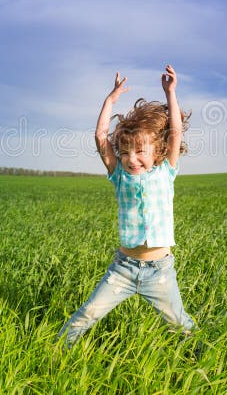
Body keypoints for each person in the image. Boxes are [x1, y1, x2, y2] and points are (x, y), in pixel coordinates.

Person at [57, 64, 196, 347]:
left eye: (140, 151)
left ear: (157, 151)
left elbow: (176, 133)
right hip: (123, 269)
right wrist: (110, 100)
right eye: (125, 152)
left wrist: (171, 93)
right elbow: (100, 137)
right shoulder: (119, 176)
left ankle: (204, 360)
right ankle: (54, 351)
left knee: (181, 325)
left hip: (160, 272)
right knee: (87, 314)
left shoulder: (166, 172)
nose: (132, 159)